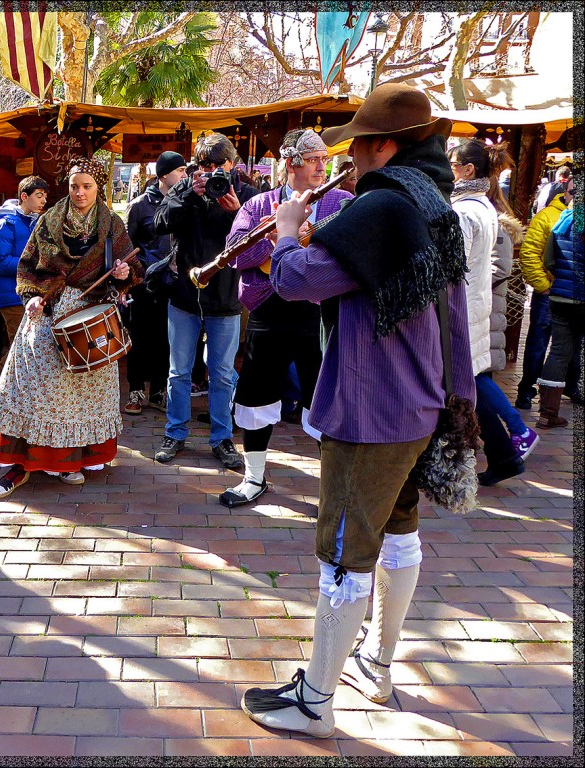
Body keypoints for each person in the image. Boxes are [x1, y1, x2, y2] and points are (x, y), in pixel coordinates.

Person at [241, 84, 474, 738]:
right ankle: (376, 660)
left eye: (358, 145)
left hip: (371, 412)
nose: (351, 158)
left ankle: (315, 700)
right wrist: (461, 402)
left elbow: (296, 281)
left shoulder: (382, 205)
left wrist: (286, 233)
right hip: (420, 402)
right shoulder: (434, 203)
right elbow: (451, 314)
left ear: (384, 145)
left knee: (343, 552)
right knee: (398, 533)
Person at [0, 156, 142, 500]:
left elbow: (132, 265)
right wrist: (31, 296)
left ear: (98, 188)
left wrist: (124, 273)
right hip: (46, 312)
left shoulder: (111, 224)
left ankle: (70, 461)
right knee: (31, 387)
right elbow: (26, 265)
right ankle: (21, 464)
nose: (80, 193)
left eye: (87, 186)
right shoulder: (48, 221)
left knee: (82, 395)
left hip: (91, 317)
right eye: (74, 186)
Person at [220, 129, 353, 506]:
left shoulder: (342, 201)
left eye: (324, 160)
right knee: (256, 394)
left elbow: (351, 253)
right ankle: (254, 478)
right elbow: (234, 254)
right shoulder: (260, 204)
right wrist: (280, 241)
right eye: (313, 160)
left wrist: (311, 245)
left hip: (320, 313)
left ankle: (333, 491)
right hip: (269, 310)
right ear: (291, 162)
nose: (321, 167)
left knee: (324, 400)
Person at [152, 132, 259, 468]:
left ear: (233, 164)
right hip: (185, 297)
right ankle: (175, 433)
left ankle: (222, 438)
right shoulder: (185, 190)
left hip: (225, 299)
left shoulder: (249, 195)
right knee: (179, 371)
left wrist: (236, 213)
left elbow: (258, 245)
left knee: (223, 373)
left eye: (219, 165)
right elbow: (159, 224)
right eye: (205, 165)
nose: (212, 172)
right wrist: (188, 194)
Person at [448, 139, 536, 486]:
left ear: (468, 170)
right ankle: (504, 455)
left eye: (452, 164)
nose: (448, 170)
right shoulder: (481, 206)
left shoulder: (466, 210)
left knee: (470, 386)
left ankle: (503, 452)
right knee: (471, 385)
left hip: (462, 309)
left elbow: (452, 265)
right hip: (474, 307)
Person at [123, 150, 187, 414]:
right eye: (180, 170)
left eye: (185, 170)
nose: (185, 175)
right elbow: (125, 245)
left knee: (167, 338)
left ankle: (159, 391)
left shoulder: (185, 202)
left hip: (173, 282)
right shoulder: (139, 206)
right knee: (138, 337)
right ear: (163, 175)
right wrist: (135, 274)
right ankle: (136, 391)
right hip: (143, 281)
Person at [0, 175, 49, 387]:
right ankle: (3, 379)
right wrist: (32, 264)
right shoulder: (6, 223)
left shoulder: (33, 222)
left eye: (45, 197)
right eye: (38, 196)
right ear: (24, 196)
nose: (43, 201)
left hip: (25, 291)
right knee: (21, 341)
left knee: (23, 340)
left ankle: (0, 375)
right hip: (8, 293)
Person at [516, 180, 573, 409]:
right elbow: (529, 254)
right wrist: (542, 286)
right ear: (564, 193)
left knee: (569, 346)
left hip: (572, 295)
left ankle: (564, 388)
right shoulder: (548, 217)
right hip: (550, 294)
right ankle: (526, 388)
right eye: (573, 192)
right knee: (539, 343)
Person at [535, 183, 581, 429]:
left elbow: (548, 260)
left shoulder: (563, 220)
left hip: (561, 296)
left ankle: (547, 413)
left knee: (559, 351)